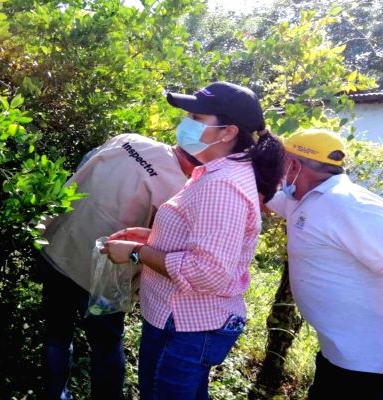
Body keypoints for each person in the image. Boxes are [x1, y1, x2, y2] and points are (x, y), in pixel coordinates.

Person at [101, 81, 285, 399]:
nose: (186, 124)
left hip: (184, 325)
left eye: (198, 119)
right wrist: (154, 237)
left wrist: (137, 253)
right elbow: (201, 238)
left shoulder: (222, 185)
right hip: (181, 320)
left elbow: (209, 272)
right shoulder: (217, 173)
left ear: (228, 133)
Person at [38, 129, 203, 399]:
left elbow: (83, 171)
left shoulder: (129, 140)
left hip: (59, 249)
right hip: (103, 279)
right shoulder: (179, 190)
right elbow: (161, 245)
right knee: (105, 346)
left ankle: (55, 394)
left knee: (57, 335)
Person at [264, 128, 383, 399]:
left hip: (374, 367)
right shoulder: (302, 199)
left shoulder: (350, 204)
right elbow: (266, 198)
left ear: (293, 165)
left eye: (282, 164)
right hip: (338, 357)